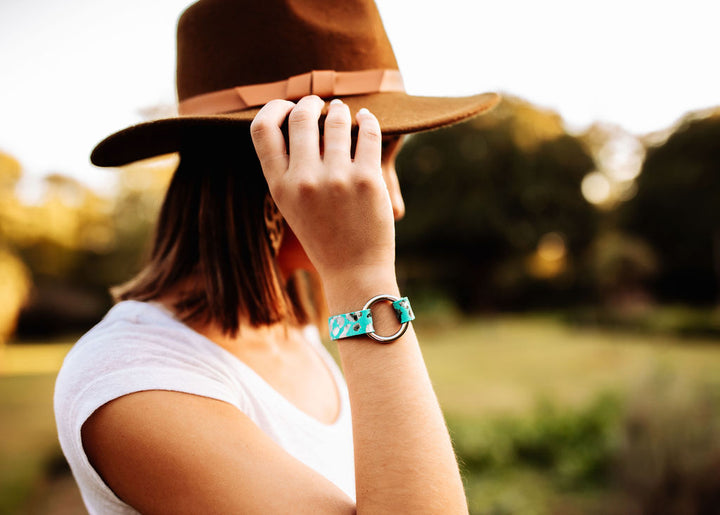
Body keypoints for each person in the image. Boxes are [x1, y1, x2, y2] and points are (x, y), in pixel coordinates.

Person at [54, 0, 499, 513]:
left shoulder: (289, 324)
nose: (394, 203)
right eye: (369, 157)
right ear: (268, 168)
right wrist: (362, 274)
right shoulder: (132, 379)